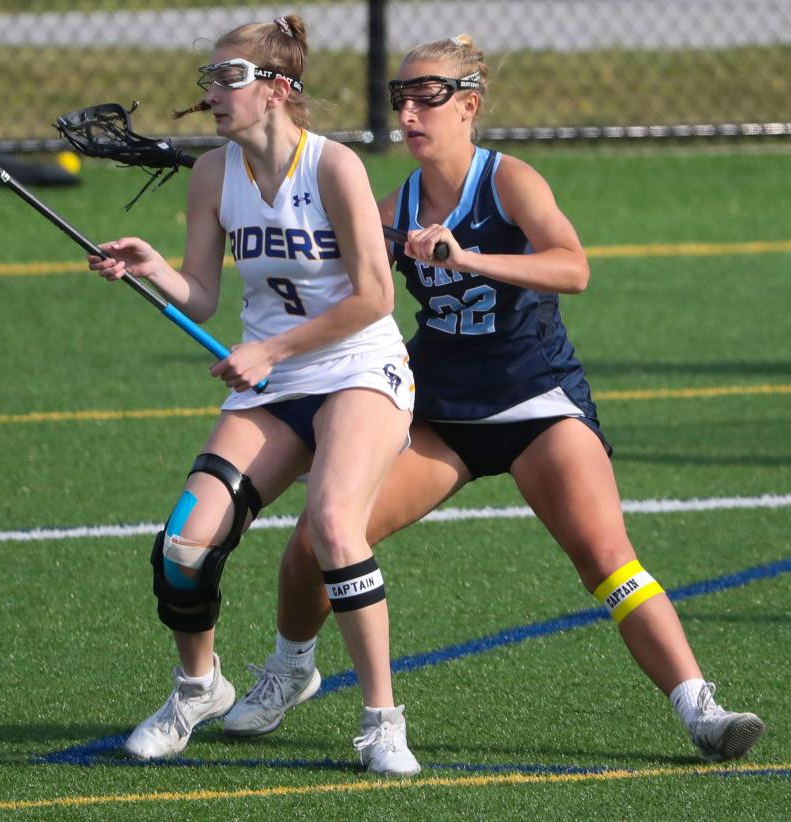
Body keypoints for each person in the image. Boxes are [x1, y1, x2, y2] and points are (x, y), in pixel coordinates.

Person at [223, 34, 766, 764]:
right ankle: (291, 668)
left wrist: (464, 255)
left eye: (428, 97)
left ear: (469, 106)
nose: (410, 111)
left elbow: (573, 269)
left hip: (535, 405)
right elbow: (338, 285)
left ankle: (702, 710)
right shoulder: (392, 206)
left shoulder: (509, 181)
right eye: (401, 98)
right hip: (439, 413)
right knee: (322, 536)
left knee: (607, 556)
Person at [88, 15, 421, 776]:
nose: (210, 93)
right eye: (208, 77)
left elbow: (374, 297)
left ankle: (381, 720)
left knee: (335, 527)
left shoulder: (333, 168)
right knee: (183, 544)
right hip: (274, 385)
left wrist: (269, 348)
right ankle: (197, 687)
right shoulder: (214, 175)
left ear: (276, 90)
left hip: (359, 372)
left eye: (227, 78)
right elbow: (202, 296)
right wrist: (151, 269)